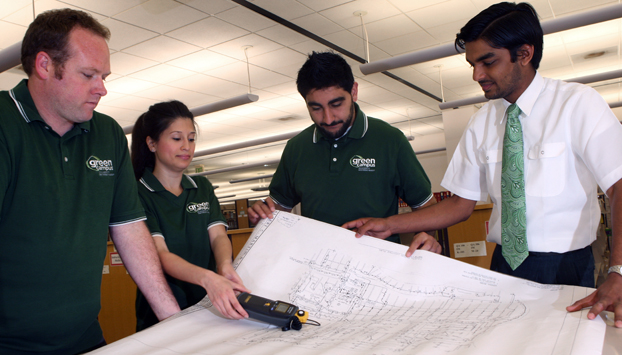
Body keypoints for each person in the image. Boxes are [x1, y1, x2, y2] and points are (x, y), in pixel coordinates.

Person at [345, 2, 622, 327]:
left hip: (567, 266)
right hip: (503, 264)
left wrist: (618, 270)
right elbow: (461, 204)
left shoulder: (578, 104)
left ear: (524, 53)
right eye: (472, 64)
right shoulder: (481, 123)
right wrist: (391, 224)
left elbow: (618, 187)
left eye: (487, 62)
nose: (477, 75)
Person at [0, 9, 181, 355]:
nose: (102, 88)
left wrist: (173, 321)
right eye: (88, 75)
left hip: (84, 348)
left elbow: (130, 229)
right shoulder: (3, 125)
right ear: (45, 65)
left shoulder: (107, 134)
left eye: (104, 76)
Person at [248, 51, 440, 252]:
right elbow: (278, 208)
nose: (328, 118)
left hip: (378, 265)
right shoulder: (297, 148)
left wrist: (425, 237)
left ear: (354, 92)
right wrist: (261, 211)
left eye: (336, 105)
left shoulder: (390, 140)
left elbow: (426, 207)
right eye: (316, 108)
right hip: (316, 263)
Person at [130, 101, 250, 330]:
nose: (186, 146)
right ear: (152, 143)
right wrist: (208, 278)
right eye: (176, 138)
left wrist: (224, 266)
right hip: (163, 312)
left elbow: (218, 237)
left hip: (209, 303)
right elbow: (160, 255)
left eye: (191, 138)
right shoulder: (138, 193)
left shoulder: (202, 187)